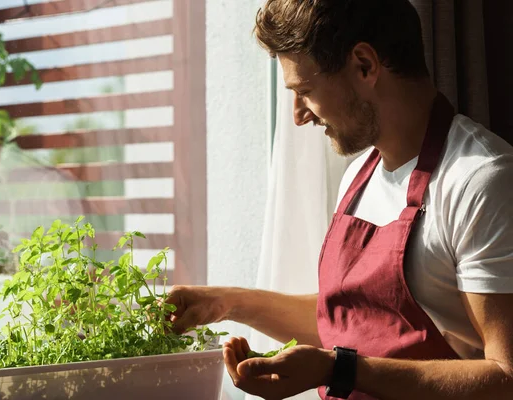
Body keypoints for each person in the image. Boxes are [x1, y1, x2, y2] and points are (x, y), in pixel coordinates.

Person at [165, 0, 513, 399]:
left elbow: (507, 378)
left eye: (305, 91)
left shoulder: (480, 180)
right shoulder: (360, 174)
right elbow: (350, 324)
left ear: (364, 65)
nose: (299, 115)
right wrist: (225, 303)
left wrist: (339, 369)